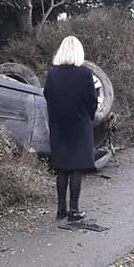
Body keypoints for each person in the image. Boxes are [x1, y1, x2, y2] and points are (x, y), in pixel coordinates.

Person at [44, 36, 98, 222]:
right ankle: (74, 210)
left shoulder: (53, 74)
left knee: (62, 168)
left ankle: (61, 210)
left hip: (58, 125)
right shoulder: (85, 74)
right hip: (80, 124)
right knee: (76, 168)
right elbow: (92, 100)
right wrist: (89, 117)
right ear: (78, 52)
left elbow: (47, 96)